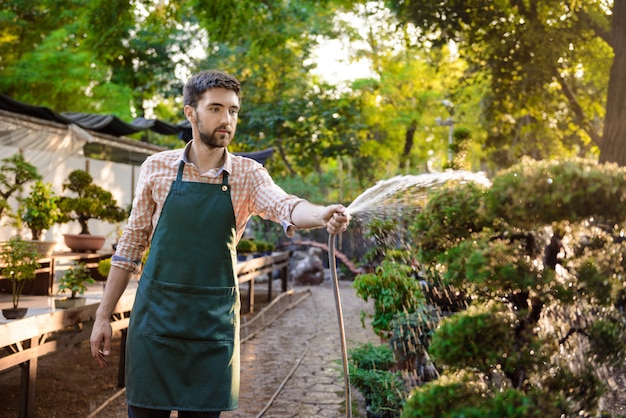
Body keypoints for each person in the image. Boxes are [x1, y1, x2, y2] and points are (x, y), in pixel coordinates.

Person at [89, 70, 350, 418]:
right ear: (190, 113)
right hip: (155, 324)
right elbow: (131, 246)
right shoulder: (157, 168)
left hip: (212, 327)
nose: (226, 119)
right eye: (215, 108)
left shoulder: (248, 174)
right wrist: (103, 315)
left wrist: (321, 214)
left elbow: (285, 205)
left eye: (233, 110)